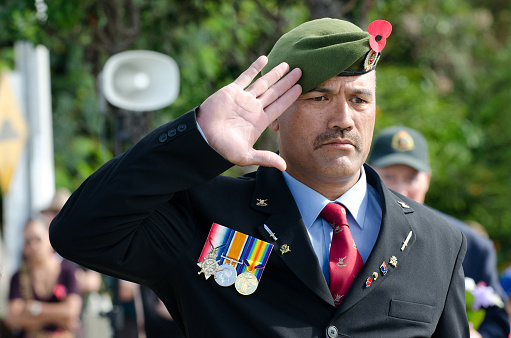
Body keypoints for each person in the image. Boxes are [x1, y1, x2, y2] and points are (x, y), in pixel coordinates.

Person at [49, 18, 469, 337]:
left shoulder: (438, 241)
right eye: (318, 97)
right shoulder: (207, 214)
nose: (343, 119)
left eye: (359, 99)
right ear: (275, 115)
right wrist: (196, 140)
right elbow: (80, 232)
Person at [368, 125, 510, 338]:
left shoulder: (468, 244)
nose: (401, 188)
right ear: (368, 171)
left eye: (411, 178)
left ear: (428, 178)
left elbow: (497, 322)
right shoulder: (349, 230)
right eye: (389, 175)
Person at [4, 217, 83, 338]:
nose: (33, 245)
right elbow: (12, 318)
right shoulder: (18, 276)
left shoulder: (68, 272)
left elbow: (72, 311)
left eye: (37, 239)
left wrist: (33, 308)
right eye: (28, 241)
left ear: (49, 239)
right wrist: (59, 319)